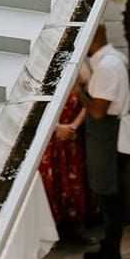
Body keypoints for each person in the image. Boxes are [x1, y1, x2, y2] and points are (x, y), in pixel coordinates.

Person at [80, 25, 130, 259]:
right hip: (110, 140)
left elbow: (98, 111)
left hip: (110, 143)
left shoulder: (105, 68)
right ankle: (106, 251)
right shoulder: (114, 60)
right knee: (107, 202)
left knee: (111, 206)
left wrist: (76, 91)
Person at [39, 87, 91, 245]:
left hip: (69, 137)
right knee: (49, 185)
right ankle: (50, 231)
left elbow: (90, 101)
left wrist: (74, 125)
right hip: (46, 140)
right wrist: (55, 127)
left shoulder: (76, 72)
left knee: (72, 184)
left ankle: (74, 226)